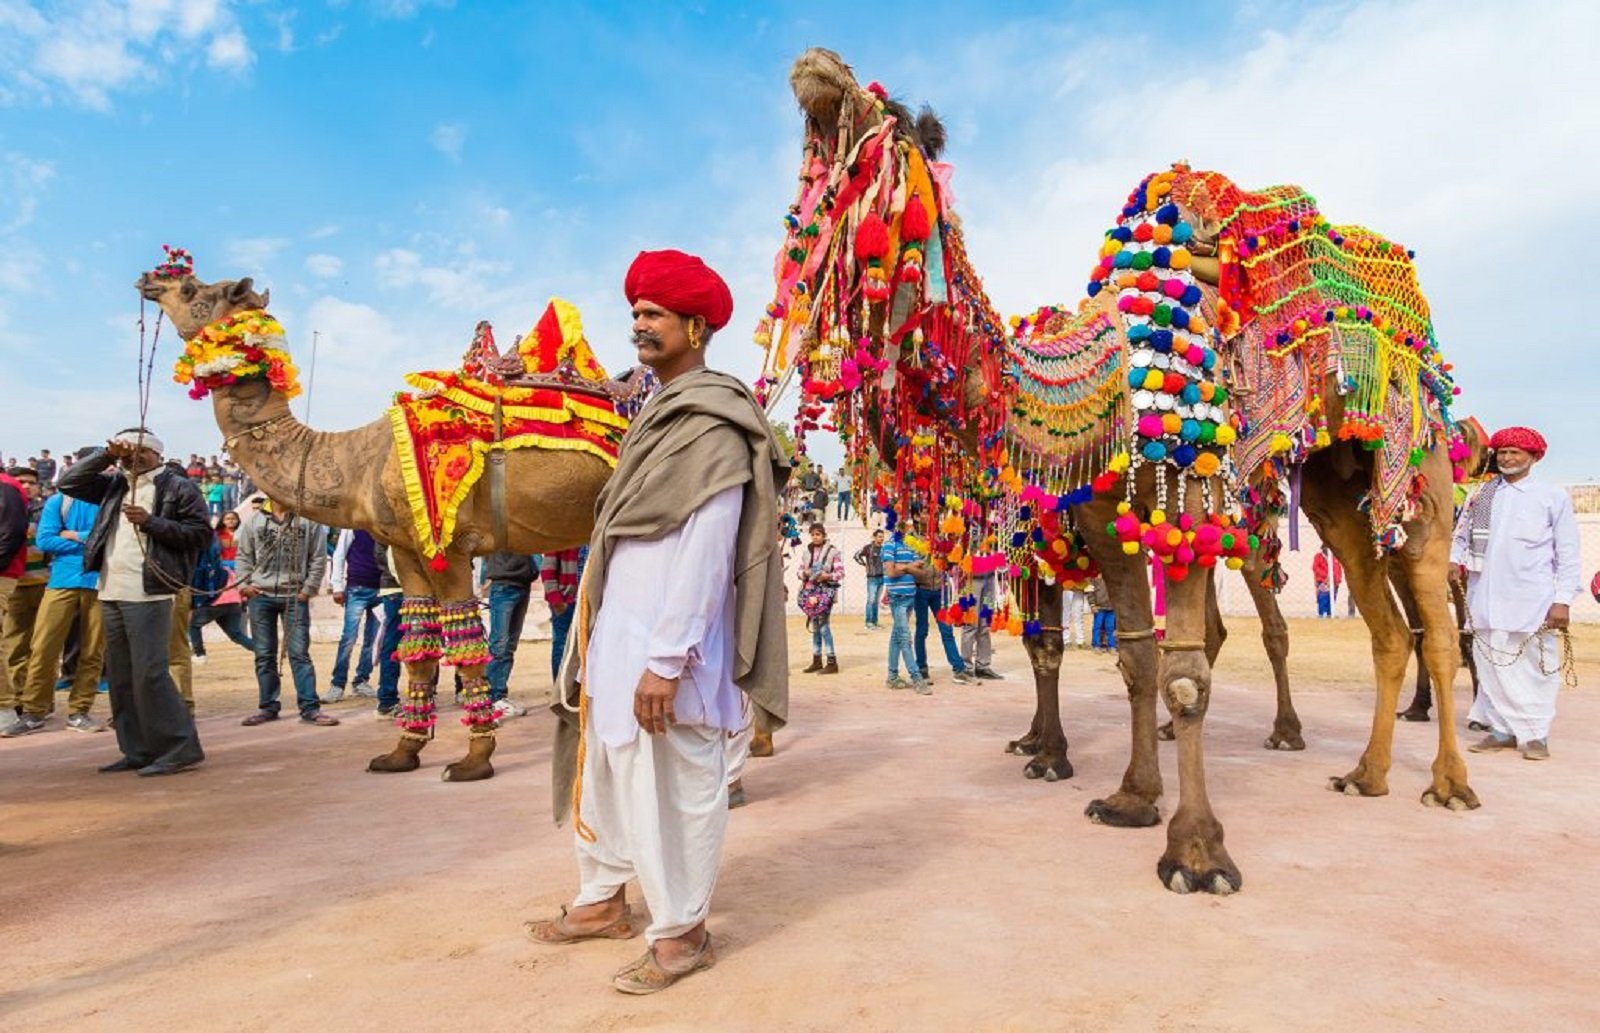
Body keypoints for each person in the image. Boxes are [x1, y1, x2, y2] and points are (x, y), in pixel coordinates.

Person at [535, 248, 789, 996]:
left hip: (672, 650)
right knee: (611, 775)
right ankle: (602, 899)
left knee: (673, 788)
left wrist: (667, 659)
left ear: (696, 326)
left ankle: (684, 933)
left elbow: (707, 550)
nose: (639, 324)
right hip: (618, 637)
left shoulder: (712, 423)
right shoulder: (654, 416)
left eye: (654, 313)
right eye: (636, 312)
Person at [56, 429, 208, 774]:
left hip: (149, 590)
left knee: (150, 673)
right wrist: (106, 455)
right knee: (121, 676)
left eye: (141, 451)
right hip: (111, 589)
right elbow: (69, 482)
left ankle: (179, 748)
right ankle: (137, 749)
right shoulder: (115, 483)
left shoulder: (179, 487)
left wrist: (152, 522)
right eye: (126, 452)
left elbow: (200, 534)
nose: (132, 458)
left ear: (157, 454)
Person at [1455, 427, 1579, 760]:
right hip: (1485, 596)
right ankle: (1501, 731)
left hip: (1532, 600)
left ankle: (1536, 734)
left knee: (1535, 668)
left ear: (1533, 457)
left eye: (1515, 452)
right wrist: (1453, 560)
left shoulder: (1552, 496)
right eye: (1502, 452)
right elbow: (1460, 536)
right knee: (1490, 663)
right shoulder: (1480, 496)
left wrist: (1563, 600)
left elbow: (1568, 552)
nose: (1507, 458)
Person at [11, 485, 105, 734]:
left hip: (100, 581)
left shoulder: (110, 500)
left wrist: (72, 535)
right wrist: (91, 539)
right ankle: (34, 711)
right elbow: (45, 541)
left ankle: (79, 710)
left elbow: (111, 540)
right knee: (43, 646)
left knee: (93, 650)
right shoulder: (59, 501)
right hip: (62, 581)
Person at [236, 500, 337, 727]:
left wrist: (308, 590)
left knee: (299, 654)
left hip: (295, 596)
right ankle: (268, 706)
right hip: (260, 596)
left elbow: (318, 557)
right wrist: (244, 586)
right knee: (264, 654)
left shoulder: (308, 521)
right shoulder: (254, 521)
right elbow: (243, 556)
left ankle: (310, 708)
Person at [0, 467, 46, 734]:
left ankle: (12, 707)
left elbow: (14, 532)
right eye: (23, 481)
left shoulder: (7, 488)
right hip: (14, 579)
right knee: (14, 643)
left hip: (29, 580)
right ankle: (13, 703)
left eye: (31, 482)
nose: (27, 486)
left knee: (35, 645)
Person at [326, 530, 388, 702]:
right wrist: (337, 586)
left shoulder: (383, 528)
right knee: (348, 638)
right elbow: (339, 554)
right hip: (357, 589)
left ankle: (361, 681)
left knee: (373, 640)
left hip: (381, 590)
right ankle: (337, 684)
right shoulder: (353, 527)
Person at [482, 551, 536, 719]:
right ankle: (491, 699)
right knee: (499, 644)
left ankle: (499, 696)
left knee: (509, 645)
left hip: (523, 583)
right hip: (503, 584)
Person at [881, 528, 929, 693]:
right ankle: (916, 677)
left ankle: (892, 676)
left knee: (897, 637)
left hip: (909, 597)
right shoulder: (889, 545)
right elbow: (891, 572)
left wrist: (903, 567)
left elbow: (921, 574)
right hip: (898, 598)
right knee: (904, 638)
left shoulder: (911, 545)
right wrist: (910, 567)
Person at [912, 560, 974, 685]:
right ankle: (921, 668)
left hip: (940, 592)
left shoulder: (942, 547)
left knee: (947, 630)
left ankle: (959, 669)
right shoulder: (914, 547)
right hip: (920, 591)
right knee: (922, 630)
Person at [797, 522, 843, 674]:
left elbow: (840, 573)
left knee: (823, 627)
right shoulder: (807, 552)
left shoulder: (833, 552)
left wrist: (827, 576)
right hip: (809, 594)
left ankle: (831, 662)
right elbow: (799, 571)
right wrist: (804, 574)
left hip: (825, 594)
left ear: (824, 535)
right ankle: (817, 660)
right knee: (815, 627)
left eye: (818, 534)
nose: (815, 537)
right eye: (813, 535)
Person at [541, 547, 584, 682]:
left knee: (586, 648)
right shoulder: (561, 538)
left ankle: (578, 689)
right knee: (562, 646)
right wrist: (557, 601)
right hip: (567, 601)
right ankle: (560, 688)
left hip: (588, 602)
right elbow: (547, 570)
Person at [961, 567, 1003, 679]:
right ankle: (966, 667)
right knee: (971, 624)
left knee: (985, 624)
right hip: (972, 581)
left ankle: (983, 666)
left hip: (989, 580)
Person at [853, 529, 885, 629]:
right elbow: (856, 555)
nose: (881, 538)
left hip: (882, 577)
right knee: (871, 600)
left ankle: (874, 622)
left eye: (882, 537)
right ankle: (868, 622)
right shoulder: (868, 548)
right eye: (879, 536)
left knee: (876, 601)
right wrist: (864, 564)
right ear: (874, 537)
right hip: (872, 578)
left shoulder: (884, 549)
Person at [1089, 576, 1117, 652]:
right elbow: (1090, 592)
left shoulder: (1113, 577)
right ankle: (1096, 645)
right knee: (1097, 627)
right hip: (1099, 607)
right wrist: (1092, 604)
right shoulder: (1093, 577)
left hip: (1111, 607)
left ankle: (1112, 646)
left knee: (1110, 628)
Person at [1312, 547, 1334, 618]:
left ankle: (1330, 614)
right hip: (1322, 581)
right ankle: (1321, 614)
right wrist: (1326, 577)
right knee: (1322, 598)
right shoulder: (1318, 556)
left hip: (1333, 582)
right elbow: (1315, 568)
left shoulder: (1334, 557)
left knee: (1332, 599)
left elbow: (1337, 568)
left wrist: (1335, 579)